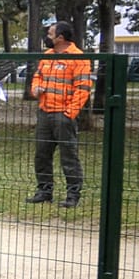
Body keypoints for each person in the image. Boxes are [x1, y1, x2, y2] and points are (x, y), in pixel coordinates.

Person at [27, 20, 92, 208]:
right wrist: (35, 89)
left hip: (63, 115)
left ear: (60, 38)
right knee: (42, 154)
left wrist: (69, 113)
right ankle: (44, 191)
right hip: (45, 112)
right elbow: (37, 77)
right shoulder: (47, 55)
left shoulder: (78, 57)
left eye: (50, 34)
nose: (48, 37)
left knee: (68, 156)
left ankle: (73, 194)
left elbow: (83, 88)